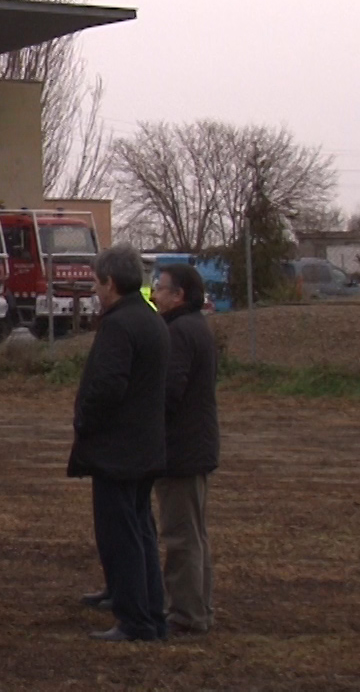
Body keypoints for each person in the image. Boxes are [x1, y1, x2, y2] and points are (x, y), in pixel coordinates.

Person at [68, 243, 170, 643]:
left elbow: (107, 386)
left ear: (110, 282)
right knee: (141, 531)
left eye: (96, 282)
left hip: (118, 451)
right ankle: (151, 613)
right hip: (145, 447)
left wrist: (84, 421)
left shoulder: (119, 325)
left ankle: (134, 620)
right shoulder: (151, 319)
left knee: (121, 535)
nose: (95, 290)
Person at [154, 261, 218, 635]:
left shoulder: (179, 332)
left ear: (178, 295)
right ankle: (198, 608)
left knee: (181, 536)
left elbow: (169, 392)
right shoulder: (197, 328)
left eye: (160, 288)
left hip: (182, 450)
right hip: (195, 446)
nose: (155, 294)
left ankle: (186, 614)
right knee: (194, 533)